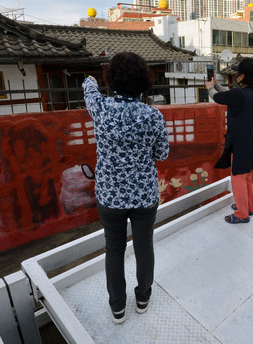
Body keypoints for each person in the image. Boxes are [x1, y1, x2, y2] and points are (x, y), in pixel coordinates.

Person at [83, 52, 169, 324]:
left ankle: (117, 307)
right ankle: (143, 298)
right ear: (144, 82)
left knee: (114, 249)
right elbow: (162, 154)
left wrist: (91, 77)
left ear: (112, 80)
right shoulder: (153, 116)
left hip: (109, 195)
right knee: (144, 247)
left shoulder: (100, 107)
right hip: (144, 195)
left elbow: (88, 87)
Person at [205, 58, 253, 224]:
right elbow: (229, 94)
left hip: (240, 146)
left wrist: (209, 88)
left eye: (237, 73)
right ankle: (249, 207)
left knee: (237, 178)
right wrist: (215, 84)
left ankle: (242, 214)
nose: (235, 74)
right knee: (246, 177)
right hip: (251, 144)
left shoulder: (239, 95)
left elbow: (219, 98)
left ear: (242, 76)